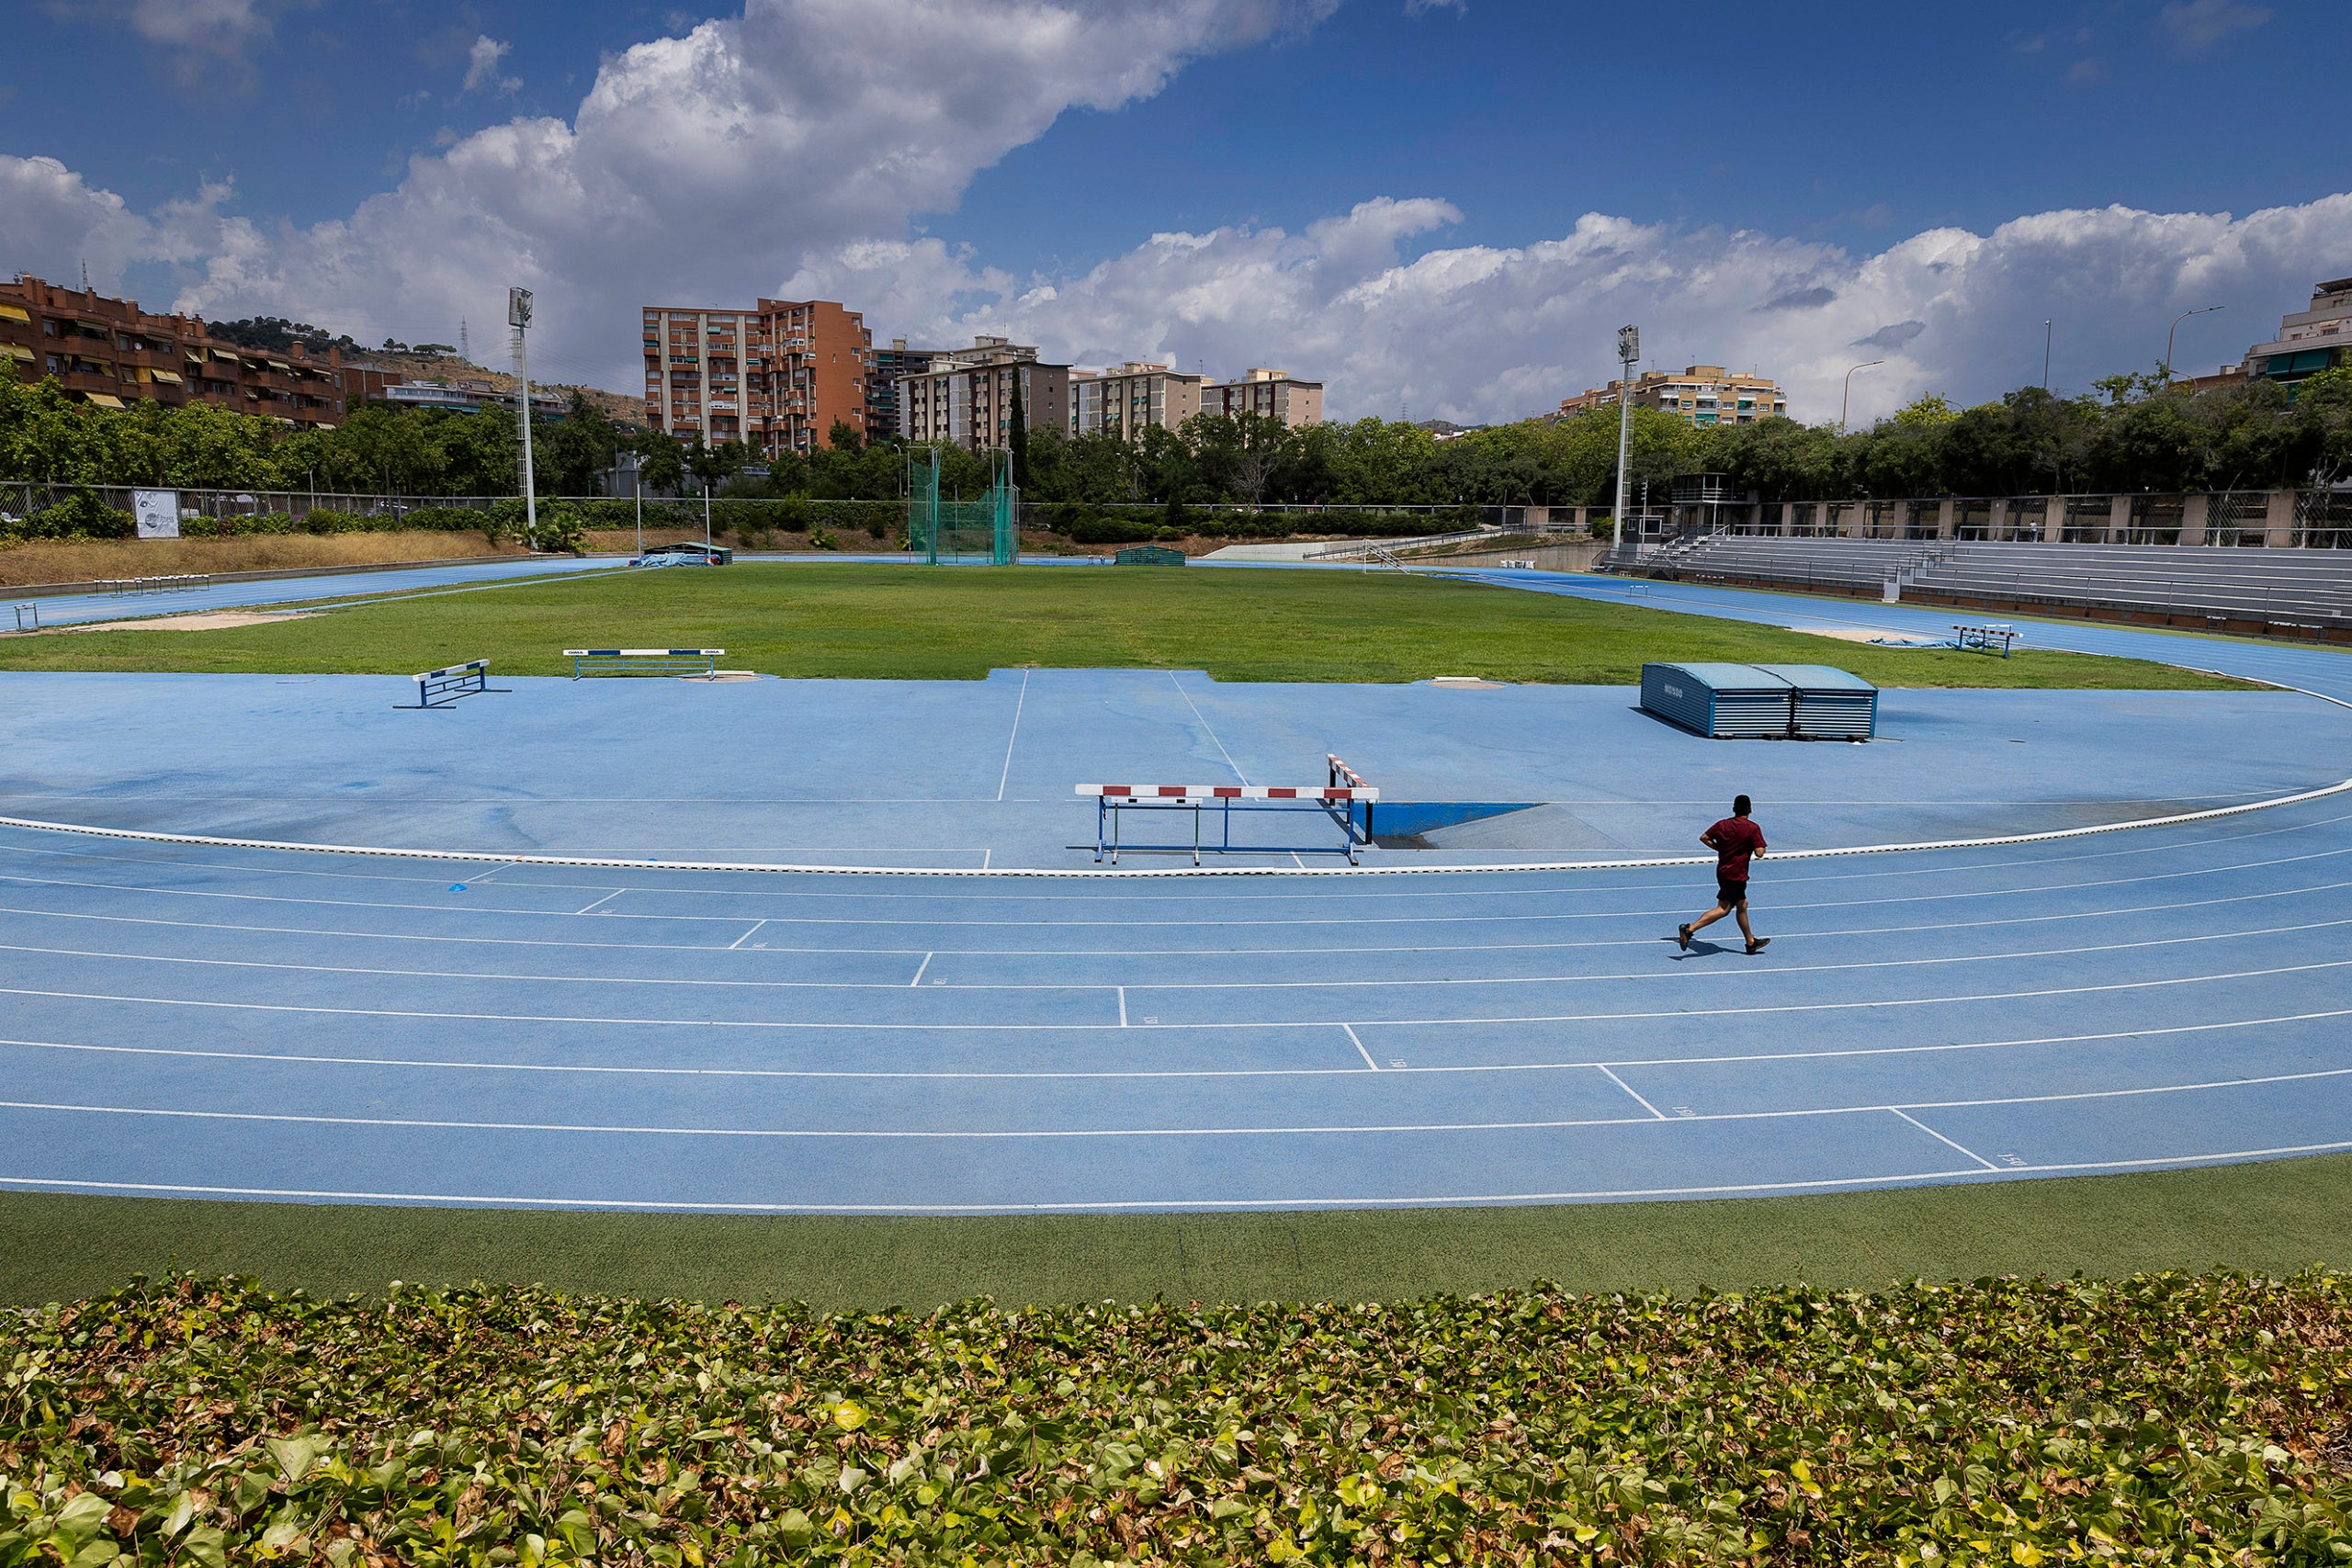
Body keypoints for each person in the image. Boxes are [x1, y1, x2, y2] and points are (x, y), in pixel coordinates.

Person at [1679, 795, 1770, 954]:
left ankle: (1750, 942)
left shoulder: (1722, 825)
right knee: (1723, 909)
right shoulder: (1752, 828)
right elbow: (1760, 853)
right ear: (1750, 809)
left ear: (1734, 809)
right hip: (1737, 875)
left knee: (1742, 905)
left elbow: (1704, 837)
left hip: (1723, 871)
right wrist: (1756, 847)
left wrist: (1719, 849)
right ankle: (1690, 929)